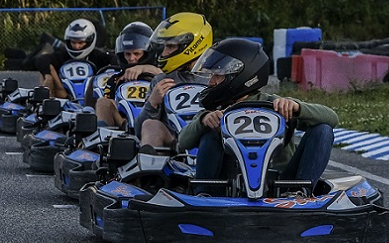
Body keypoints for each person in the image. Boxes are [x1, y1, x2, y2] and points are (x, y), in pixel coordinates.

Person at [178, 37, 339, 185]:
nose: (211, 81)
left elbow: (332, 119)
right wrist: (203, 121)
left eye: (217, 75)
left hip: (282, 182)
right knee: (210, 133)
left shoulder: (275, 104)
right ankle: (205, 193)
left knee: (323, 130)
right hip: (230, 182)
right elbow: (182, 143)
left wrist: (297, 108)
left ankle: (301, 192)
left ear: (240, 75)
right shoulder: (215, 112)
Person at [133, 11, 213, 149]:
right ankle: (150, 168)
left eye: (170, 47)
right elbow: (139, 131)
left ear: (192, 45)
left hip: (208, 143)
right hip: (173, 147)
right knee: (150, 125)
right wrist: (152, 103)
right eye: (164, 47)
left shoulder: (217, 79)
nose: (164, 53)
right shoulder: (161, 81)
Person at [94, 21, 160, 127]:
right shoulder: (115, 79)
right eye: (127, 54)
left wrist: (145, 68)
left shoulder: (159, 73)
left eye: (136, 54)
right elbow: (108, 105)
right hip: (123, 125)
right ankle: (103, 137)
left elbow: (169, 80)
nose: (131, 58)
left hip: (154, 124)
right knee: (102, 102)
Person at [35, 18, 112, 100]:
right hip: (65, 97)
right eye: (73, 42)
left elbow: (115, 60)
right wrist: (47, 75)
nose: (76, 47)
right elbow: (41, 60)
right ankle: (47, 102)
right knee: (47, 70)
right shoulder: (63, 55)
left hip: (93, 97)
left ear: (90, 41)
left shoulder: (97, 55)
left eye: (80, 43)